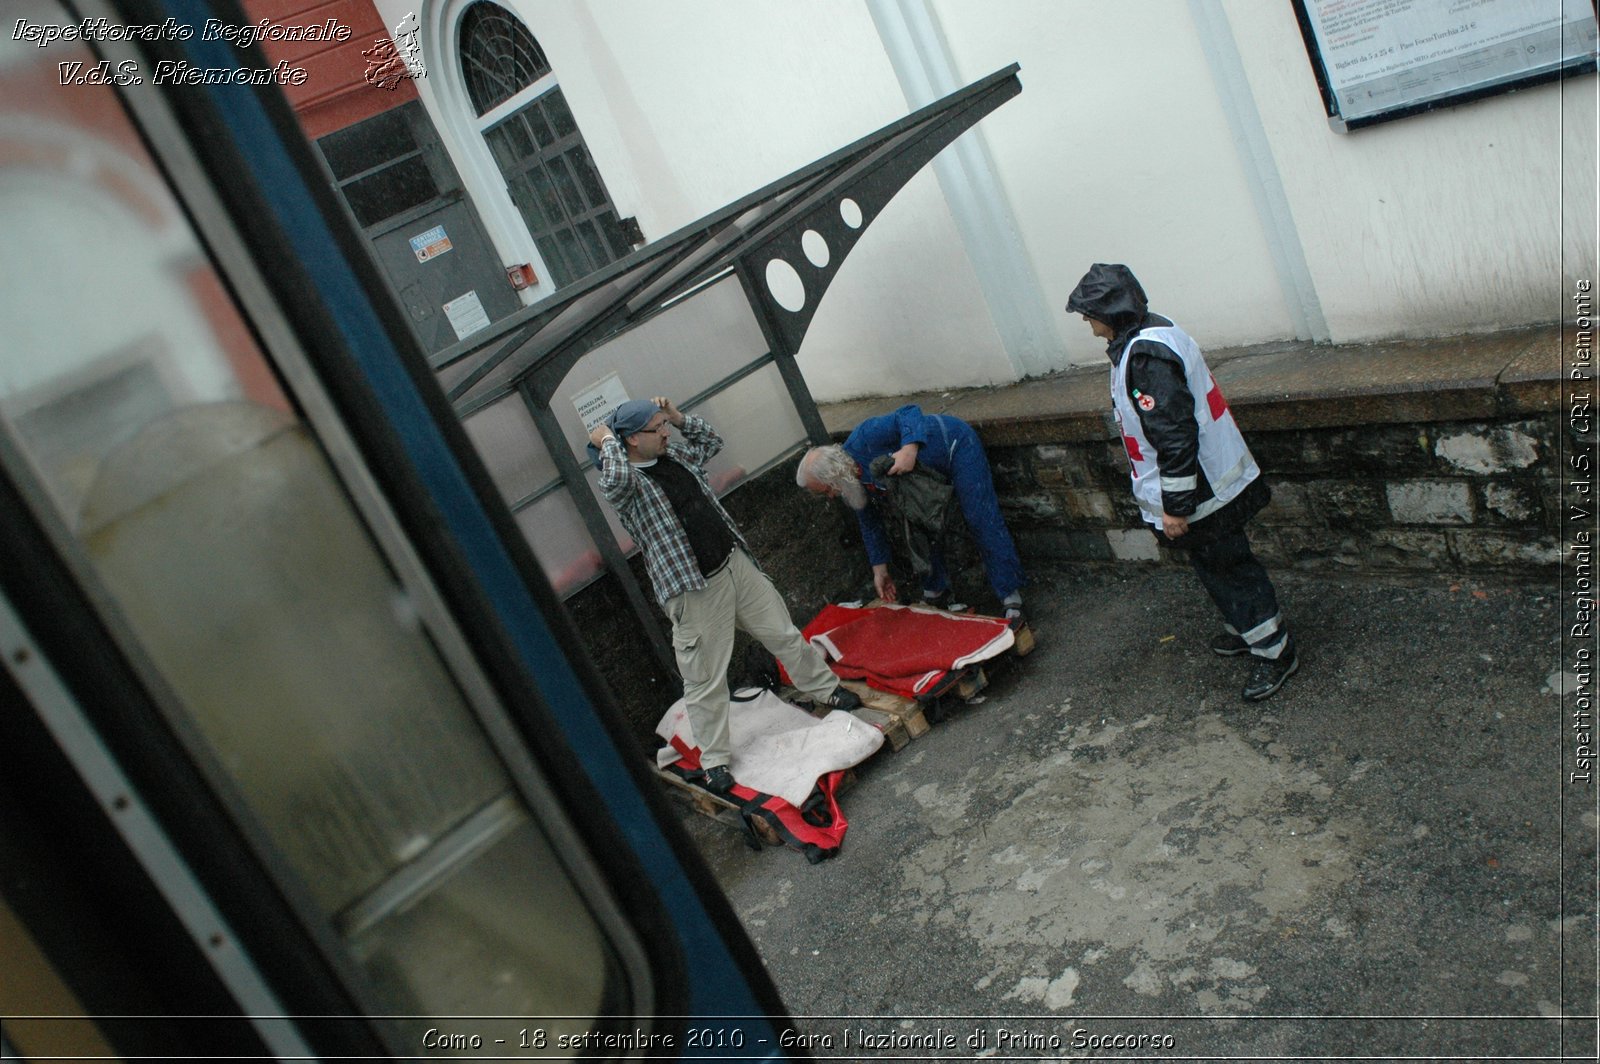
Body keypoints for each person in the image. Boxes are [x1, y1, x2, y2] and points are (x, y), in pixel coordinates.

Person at [589, 396, 860, 793]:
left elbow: (712, 442)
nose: (665, 432)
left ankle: (827, 690)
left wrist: (679, 418)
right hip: (694, 590)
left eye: (665, 424)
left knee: (782, 634)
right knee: (704, 680)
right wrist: (606, 440)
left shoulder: (675, 456)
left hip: (733, 564)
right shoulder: (629, 484)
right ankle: (714, 761)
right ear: (631, 440)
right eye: (657, 428)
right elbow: (612, 481)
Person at [1066, 263, 1297, 701]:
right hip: (1212, 480)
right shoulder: (1154, 333)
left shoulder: (1145, 356)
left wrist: (1176, 506)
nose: (1086, 322)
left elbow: (1173, 435)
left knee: (1229, 568)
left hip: (1205, 491)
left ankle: (1274, 651)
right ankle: (1248, 630)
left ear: (1110, 313)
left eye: (1088, 313)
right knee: (1219, 565)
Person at [796, 405, 1025, 626]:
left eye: (827, 489)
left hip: (954, 446)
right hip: (925, 481)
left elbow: (908, 412)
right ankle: (935, 591)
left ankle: (1010, 595)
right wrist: (880, 570)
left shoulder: (865, 437)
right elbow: (869, 523)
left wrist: (909, 449)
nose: (830, 496)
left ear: (834, 474)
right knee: (919, 526)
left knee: (980, 518)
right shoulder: (851, 484)